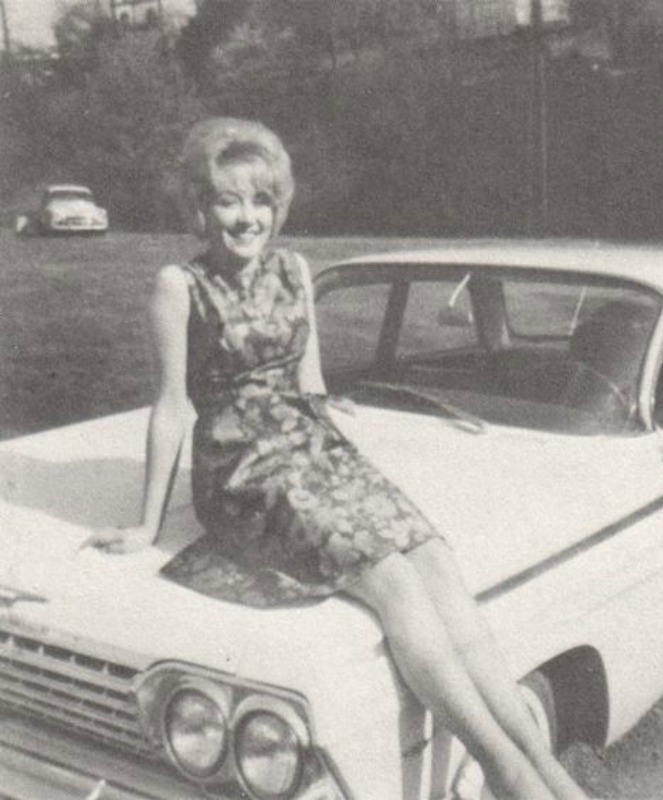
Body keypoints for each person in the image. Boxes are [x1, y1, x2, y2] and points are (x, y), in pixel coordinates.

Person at [87, 117, 591, 800]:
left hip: (310, 447)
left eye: (261, 201)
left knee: (433, 556)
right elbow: (172, 405)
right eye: (228, 201)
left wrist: (339, 446)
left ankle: (541, 760)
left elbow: (310, 381)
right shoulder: (178, 285)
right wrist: (148, 525)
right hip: (240, 471)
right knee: (391, 578)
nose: (247, 218)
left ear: (278, 206)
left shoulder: (295, 270)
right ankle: (504, 769)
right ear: (200, 209)